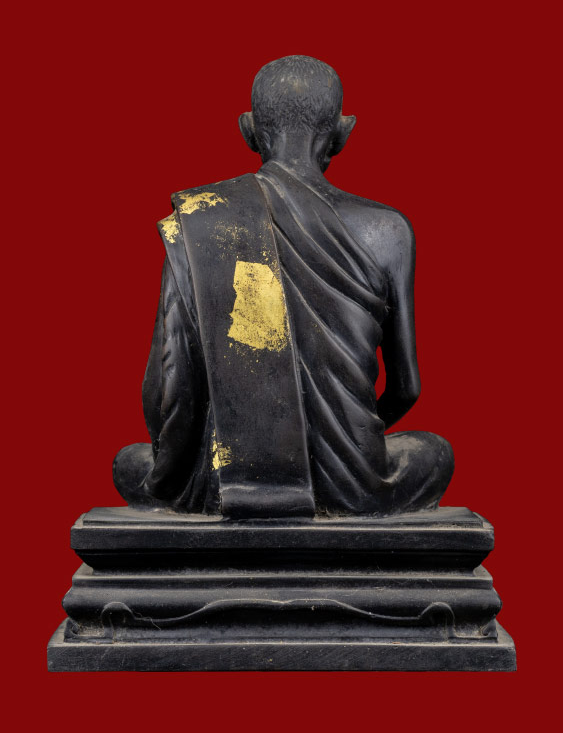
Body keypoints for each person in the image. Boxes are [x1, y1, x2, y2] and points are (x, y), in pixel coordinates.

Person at [114, 55, 454, 518]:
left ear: (249, 130)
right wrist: (344, 435)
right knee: (435, 452)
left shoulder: (201, 222)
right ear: (343, 132)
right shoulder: (388, 230)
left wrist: (176, 466)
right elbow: (406, 388)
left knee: (129, 463)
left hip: (225, 479)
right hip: (353, 482)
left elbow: (164, 389)